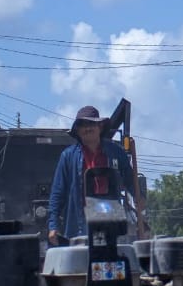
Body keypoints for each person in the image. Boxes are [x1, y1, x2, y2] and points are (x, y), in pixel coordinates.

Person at [47, 105, 134, 246]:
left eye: (91, 123)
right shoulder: (68, 156)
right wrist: (53, 226)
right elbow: (58, 193)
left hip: (110, 218)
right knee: (81, 265)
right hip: (80, 224)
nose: (87, 128)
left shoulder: (116, 153)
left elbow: (130, 179)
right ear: (78, 131)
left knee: (112, 261)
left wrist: (139, 196)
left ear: (100, 127)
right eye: (82, 125)